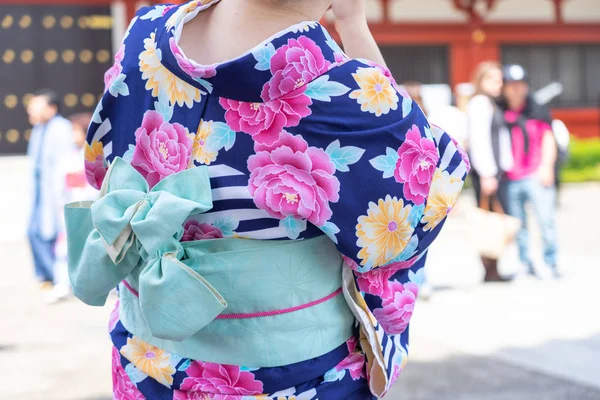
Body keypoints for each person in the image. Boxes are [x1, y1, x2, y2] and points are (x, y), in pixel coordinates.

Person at [65, 1, 469, 398]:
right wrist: (354, 25)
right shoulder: (346, 92)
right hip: (284, 383)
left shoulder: (144, 34)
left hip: (142, 364)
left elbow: (100, 165)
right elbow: (414, 205)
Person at [498, 64, 559, 279]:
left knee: (546, 221)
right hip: (510, 177)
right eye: (511, 85)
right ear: (504, 88)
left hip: (536, 173)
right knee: (518, 225)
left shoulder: (537, 108)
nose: (516, 89)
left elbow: (549, 139)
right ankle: (525, 263)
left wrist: (547, 167)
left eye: (520, 84)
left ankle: (550, 262)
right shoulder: (498, 110)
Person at [467, 61, 514, 282]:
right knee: (489, 220)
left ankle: (493, 267)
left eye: (499, 79)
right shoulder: (479, 103)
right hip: (487, 173)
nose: (498, 84)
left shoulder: (493, 104)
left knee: (495, 218)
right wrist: (487, 173)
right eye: (493, 79)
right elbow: (479, 141)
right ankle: (489, 269)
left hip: (496, 172)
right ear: (481, 81)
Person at [46, 113, 98, 304]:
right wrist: (60, 207)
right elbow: (59, 188)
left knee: (95, 248)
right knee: (64, 249)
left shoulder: (95, 157)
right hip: (71, 210)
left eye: (75, 131)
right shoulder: (69, 158)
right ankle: (63, 283)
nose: (71, 135)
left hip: (92, 210)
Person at [26, 89, 73, 288]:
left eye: (36, 107)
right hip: (40, 189)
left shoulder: (61, 128)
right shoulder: (39, 129)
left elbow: (64, 163)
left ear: (51, 109)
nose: (31, 111)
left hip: (56, 190)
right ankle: (47, 274)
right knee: (34, 231)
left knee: (52, 233)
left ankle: (57, 277)